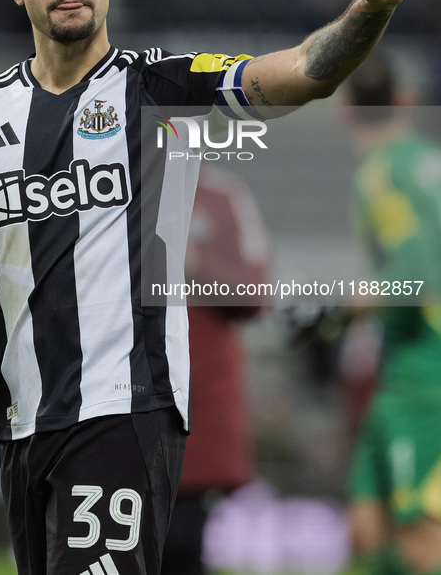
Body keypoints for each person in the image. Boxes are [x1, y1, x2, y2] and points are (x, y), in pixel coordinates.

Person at [0, 0, 419, 575]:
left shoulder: (157, 86)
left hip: (125, 408)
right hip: (22, 422)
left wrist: (369, 10)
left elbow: (299, 73)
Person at [343, 57, 441, 575]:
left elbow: (418, 271)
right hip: (400, 373)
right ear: (404, 102)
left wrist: (359, 298)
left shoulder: (380, 174)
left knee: (418, 543)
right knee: (366, 526)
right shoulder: (431, 161)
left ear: (344, 113)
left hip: (423, 374)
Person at [161, 164, 270, 575]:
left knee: (182, 543)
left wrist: (196, 261)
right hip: (120, 399)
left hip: (196, 405)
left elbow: (255, 292)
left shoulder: (222, 197)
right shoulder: (107, 187)